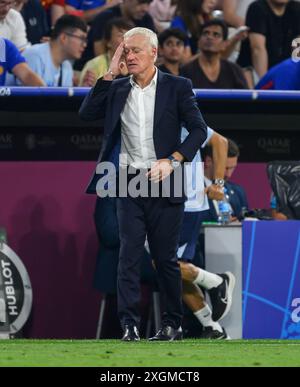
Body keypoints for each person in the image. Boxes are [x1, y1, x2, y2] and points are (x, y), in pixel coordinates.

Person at [79, 27, 208, 342]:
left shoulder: (178, 87)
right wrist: (110, 73)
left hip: (165, 176)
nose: (131, 56)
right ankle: (129, 326)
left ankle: (171, 325)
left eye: (136, 50)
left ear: (154, 52)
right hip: (129, 180)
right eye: (126, 51)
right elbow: (86, 114)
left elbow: (198, 130)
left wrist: (174, 159)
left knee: (165, 258)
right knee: (129, 256)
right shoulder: (117, 87)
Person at [77, 0, 155, 72]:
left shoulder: (146, 19)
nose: (145, 9)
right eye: (141, 3)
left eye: (148, 3)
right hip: (92, 70)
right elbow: (100, 54)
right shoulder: (105, 17)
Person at [237, 0, 300, 80]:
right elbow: (257, 49)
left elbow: (298, 47)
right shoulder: (257, 8)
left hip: (284, 72)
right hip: (254, 72)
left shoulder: (296, 9)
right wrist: (265, 84)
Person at [22, 14, 87, 86]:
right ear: (63, 38)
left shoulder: (67, 66)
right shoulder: (35, 55)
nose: (84, 45)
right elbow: (29, 96)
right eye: (81, 38)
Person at [181, 19, 248, 89]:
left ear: (224, 44)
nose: (209, 37)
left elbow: (246, 98)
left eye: (216, 35)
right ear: (199, 42)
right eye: (205, 33)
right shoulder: (186, 71)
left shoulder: (235, 71)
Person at [202, 138, 249, 222]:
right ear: (208, 161)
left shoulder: (238, 191)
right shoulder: (192, 191)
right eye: (225, 168)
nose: (229, 174)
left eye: (232, 168)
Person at [79, 17, 133, 87]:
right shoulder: (94, 65)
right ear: (108, 42)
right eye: (120, 36)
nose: (126, 40)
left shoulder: (139, 65)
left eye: (130, 36)